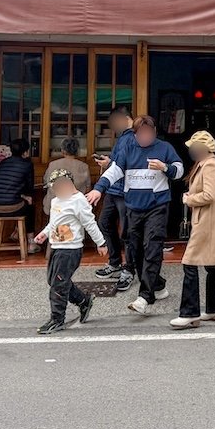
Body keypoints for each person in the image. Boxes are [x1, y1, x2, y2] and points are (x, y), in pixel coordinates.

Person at [88, 115, 183, 315]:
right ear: (135, 134)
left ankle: (145, 297)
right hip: (133, 207)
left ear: (154, 132)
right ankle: (158, 285)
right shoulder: (128, 149)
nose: (145, 137)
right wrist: (98, 189)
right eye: (141, 134)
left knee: (152, 247)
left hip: (157, 206)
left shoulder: (165, 148)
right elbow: (113, 171)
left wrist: (165, 167)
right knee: (135, 249)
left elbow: (179, 171)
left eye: (149, 133)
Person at [170, 130, 215, 330]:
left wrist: (189, 199)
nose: (192, 150)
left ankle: (189, 313)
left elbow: (209, 195)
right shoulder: (207, 163)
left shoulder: (209, 165)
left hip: (206, 222)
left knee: (190, 263)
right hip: (209, 221)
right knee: (211, 264)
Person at [33, 168, 108, 334]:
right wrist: (44, 234)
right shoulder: (56, 201)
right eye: (53, 189)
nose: (55, 191)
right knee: (54, 281)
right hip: (56, 246)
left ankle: (57, 319)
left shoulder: (79, 201)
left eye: (57, 188)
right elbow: (54, 222)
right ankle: (83, 301)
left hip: (70, 249)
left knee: (59, 284)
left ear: (67, 184)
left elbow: (90, 223)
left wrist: (101, 242)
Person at [89, 106, 136, 291]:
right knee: (105, 223)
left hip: (125, 191)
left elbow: (129, 164)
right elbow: (118, 163)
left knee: (127, 232)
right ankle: (115, 261)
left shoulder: (134, 137)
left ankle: (129, 269)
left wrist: (110, 165)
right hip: (113, 189)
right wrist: (109, 163)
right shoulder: (122, 137)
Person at [0, 138, 39, 254]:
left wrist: (22, 196)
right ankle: (31, 242)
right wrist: (25, 196)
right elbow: (29, 188)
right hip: (12, 206)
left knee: (22, 203)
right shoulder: (27, 164)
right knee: (30, 206)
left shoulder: (3, 162)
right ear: (25, 152)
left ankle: (16, 232)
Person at [43, 137, 91, 217]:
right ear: (77, 151)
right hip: (76, 209)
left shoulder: (53, 164)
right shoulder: (84, 166)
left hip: (54, 209)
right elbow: (88, 189)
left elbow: (46, 182)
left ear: (63, 150)